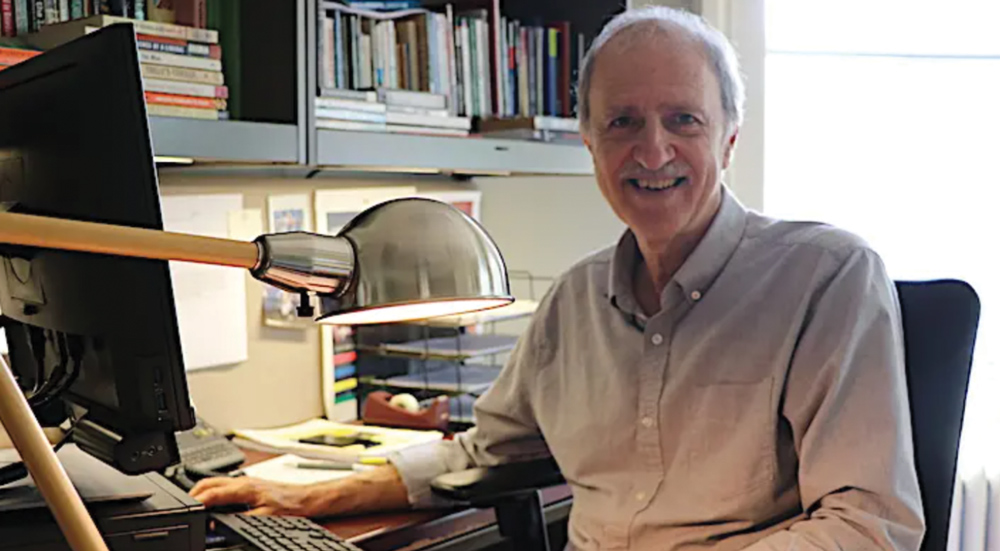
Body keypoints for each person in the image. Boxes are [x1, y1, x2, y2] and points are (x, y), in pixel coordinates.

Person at [191, 6, 925, 550]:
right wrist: (317, 492)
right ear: (589, 145)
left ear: (730, 139)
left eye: (684, 120)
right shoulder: (575, 302)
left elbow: (868, 521)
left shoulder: (825, 276)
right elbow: (481, 454)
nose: (654, 149)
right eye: (623, 123)